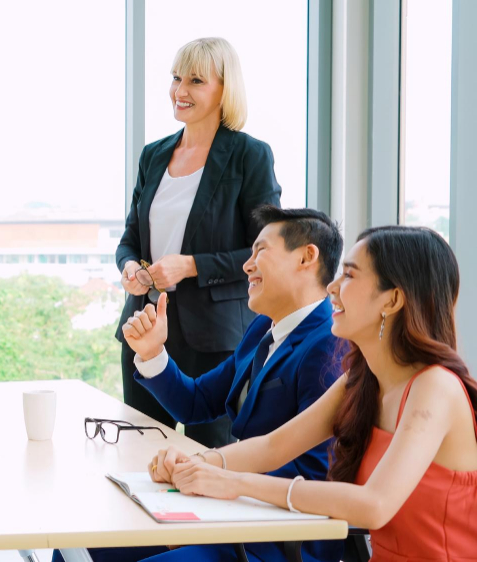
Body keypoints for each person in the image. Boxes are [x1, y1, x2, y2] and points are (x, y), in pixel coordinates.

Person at [158, 226, 477, 561]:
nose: (332, 287)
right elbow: (274, 446)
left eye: (350, 276)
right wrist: (195, 464)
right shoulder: (362, 378)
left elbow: (374, 505)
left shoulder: (434, 387)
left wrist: (235, 482)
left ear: (392, 299)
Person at [63, 207, 345, 562]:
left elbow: (316, 474)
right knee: (85, 546)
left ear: (306, 256)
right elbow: (195, 403)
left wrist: (209, 474)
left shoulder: (329, 344)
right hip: (228, 512)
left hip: (278, 537)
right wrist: (152, 353)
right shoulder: (261, 329)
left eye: (261, 251)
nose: (247, 264)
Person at [116, 37, 281, 449]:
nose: (180, 90)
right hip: (146, 326)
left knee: (208, 462)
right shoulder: (154, 156)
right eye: (176, 78)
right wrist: (131, 267)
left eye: (195, 80)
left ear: (224, 89)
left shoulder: (249, 156)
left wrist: (191, 265)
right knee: (140, 453)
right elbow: (130, 239)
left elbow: (265, 250)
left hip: (214, 339)